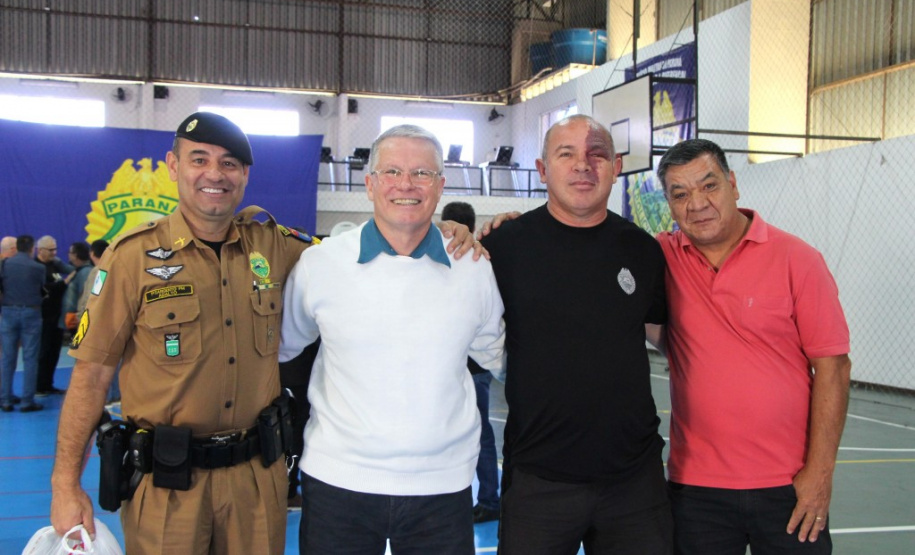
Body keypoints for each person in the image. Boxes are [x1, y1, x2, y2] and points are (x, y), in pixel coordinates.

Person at [50, 112, 479, 555]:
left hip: (255, 482)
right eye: (199, 160)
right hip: (167, 486)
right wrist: (65, 486)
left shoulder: (276, 246)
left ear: (245, 175)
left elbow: (367, 246)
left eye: (229, 164)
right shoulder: (130, 258)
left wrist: (436, 229)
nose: (215, 174)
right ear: (174, 166)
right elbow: (91, 377)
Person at [280, 124, 505, 554]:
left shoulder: (474, 268)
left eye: (422, 173)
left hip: (443, 488)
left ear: (440, 187)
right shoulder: (320, 264)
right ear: (369, 184)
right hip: (337, 484)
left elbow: (498, 354)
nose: (407, 184)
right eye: (393, 172)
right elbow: (285, 346)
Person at [480, 114, 672, 554]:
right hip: (538, 481)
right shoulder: (502, 247)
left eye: (596, 154)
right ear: (543, 170)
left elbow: (667, 336)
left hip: (633, 484)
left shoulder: (643, 251)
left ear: (616, 166)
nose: (583, 165)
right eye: (566, 154)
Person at [652, 138, 852, 554]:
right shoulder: (659, 257)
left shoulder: (798, 259)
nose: (697, 204)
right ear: (670, 205)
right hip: (695, 490)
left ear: (734, 184)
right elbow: (586, 247)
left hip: (789, 487)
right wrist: (505, 226)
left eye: (709, 186)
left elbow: (833, 367)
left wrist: (820, 474)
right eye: (680, 194)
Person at [441, 200, 501, 524]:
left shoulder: (473, 258)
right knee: (480, 434)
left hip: (466, 364)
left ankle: (486, 499)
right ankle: (486, 498)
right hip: (475, 365)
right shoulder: (482, 257)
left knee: (473, 435)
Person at [0, 235, 46, 412]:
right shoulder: (38, 268)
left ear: (16, 247)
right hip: (31, 312)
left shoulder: (5, 265)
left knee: (7, 357)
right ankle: (27, 400)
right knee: (30, 357)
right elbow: (42, 288)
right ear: (31, 248)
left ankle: (5, 399)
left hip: (9, 311)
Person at [35, 234, 73, 396]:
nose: (54, 252)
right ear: (40, 250)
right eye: (51, 250)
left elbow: (73, 270)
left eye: (55, 249)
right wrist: (64, 282)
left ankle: (48, 384)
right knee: (43, 351)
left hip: (57, 315)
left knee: (54, 351)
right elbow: (47, 288)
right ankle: (38, 386)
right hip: (43, 316)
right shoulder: (36, 267)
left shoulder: (55, 264)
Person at [60, 241, 92, 332]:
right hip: (74, 320)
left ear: (76, 255)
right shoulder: (79, 271)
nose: (68, 255)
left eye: (70, 253)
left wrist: (79, 316)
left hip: (77, 320)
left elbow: (86, 296)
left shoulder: (85, 272)